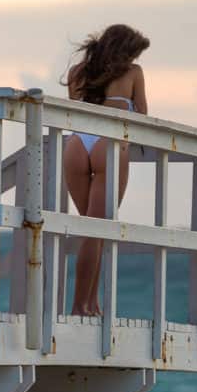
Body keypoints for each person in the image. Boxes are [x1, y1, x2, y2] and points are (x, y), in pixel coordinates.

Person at [62, 24, 150, 315]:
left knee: (91, 230)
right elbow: (142, 117)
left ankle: (90, 303)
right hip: (108, 145)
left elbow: (74, 112)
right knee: (96, 231)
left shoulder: (78, 72)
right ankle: (79, 306)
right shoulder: (133, 73)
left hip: (76, 146)